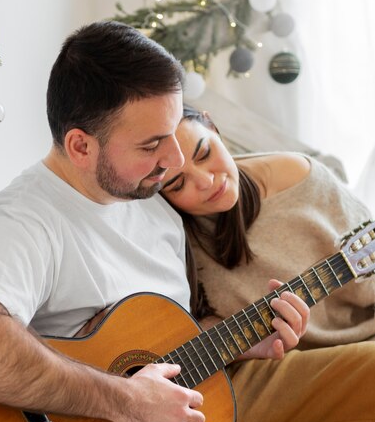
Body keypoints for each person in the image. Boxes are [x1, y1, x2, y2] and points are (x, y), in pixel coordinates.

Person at [0, 22, 370, 422]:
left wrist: (241, 340)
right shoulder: (26, 221)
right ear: (80, 146)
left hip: (215, 388)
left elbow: (160, 332)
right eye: (151, 145)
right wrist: (123, 401)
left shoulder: (147, 197)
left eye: (174, 134)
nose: (172, 161)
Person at [160, 105, 375, 347]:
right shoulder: (170, 239)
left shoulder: (296, 177)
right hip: (294, 367)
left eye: (205, 154)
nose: (206, 180)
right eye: (178, 185)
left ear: (213, 127)